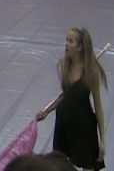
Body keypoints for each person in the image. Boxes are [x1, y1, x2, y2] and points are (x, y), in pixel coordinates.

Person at [36, 28, 107, 171]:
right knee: (60, 165)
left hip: (83, 127)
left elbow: (98, 108)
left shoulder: (91, 72)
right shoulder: (64, 66)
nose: (66, 44)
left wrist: (102, 140)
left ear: (80, 47)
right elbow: (65, 96)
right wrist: (46, 111)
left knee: (87, 165)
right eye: (66, 40)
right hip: (63, 123)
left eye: (70, 41)